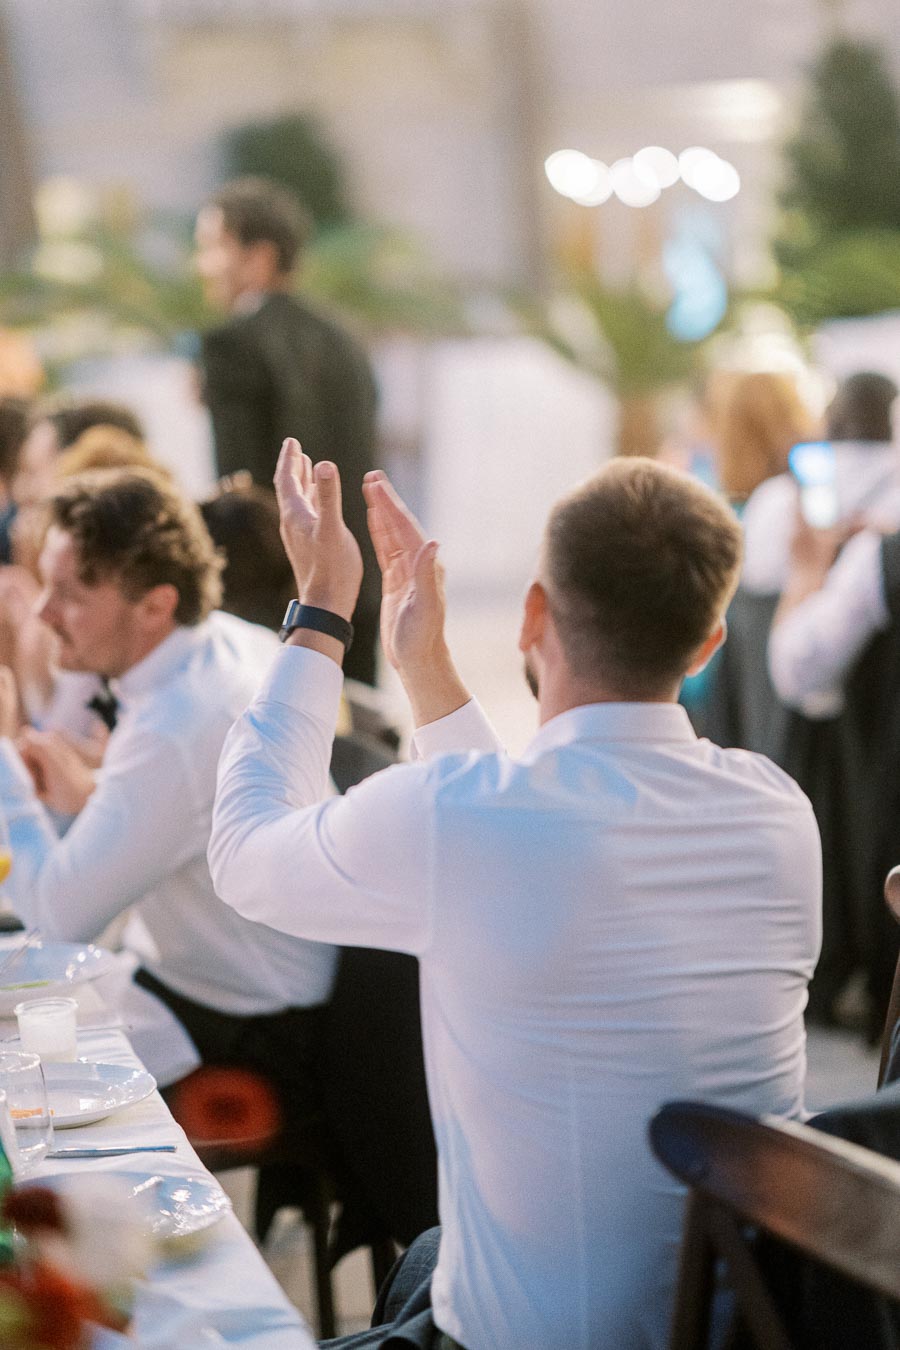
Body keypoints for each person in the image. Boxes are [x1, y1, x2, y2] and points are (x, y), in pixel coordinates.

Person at [210, 442, 821, 1350]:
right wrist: (424, 665)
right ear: (709, 641)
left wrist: (321, 614)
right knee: (426, 1256)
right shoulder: (778, 812)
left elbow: (244, 852)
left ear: (532, 616)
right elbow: (535, 850)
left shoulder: (465, 824)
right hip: (737, 1323)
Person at [0, 467, 337, 1113]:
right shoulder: (227, 643)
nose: (42, 612)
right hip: (239, 992)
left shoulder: (175, 725)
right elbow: (196, 808)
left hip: (243, 1028)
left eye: (69, 592)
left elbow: (58, 921)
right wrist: (97, 789)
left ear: (155, 604)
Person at [194, 177, 380, 685]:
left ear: (258, 257)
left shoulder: (232, 343)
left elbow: (237, 484)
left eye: (213, 248)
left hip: (275, 601)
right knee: (355, 750)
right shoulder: (345, 339)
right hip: (356, 580)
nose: (202, 264)